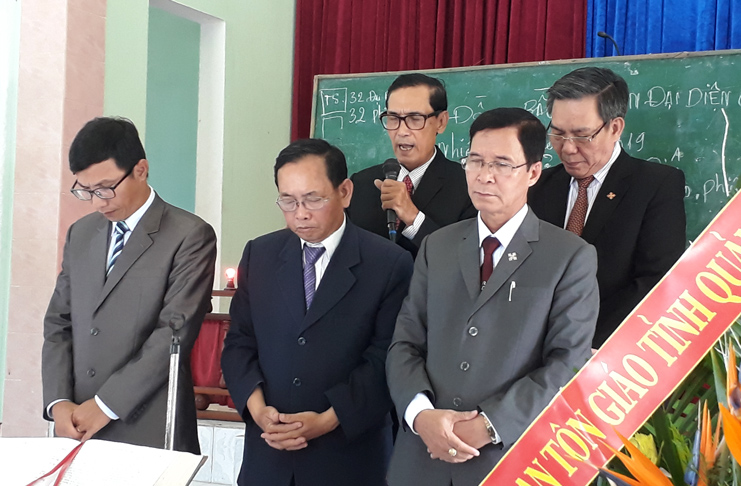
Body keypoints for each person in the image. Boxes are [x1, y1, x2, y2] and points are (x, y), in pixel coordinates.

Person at [386, 108, 599, 486]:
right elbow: (405, 341)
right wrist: (420, 415)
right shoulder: (438, 245)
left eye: (502, 164)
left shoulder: (569, 256)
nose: (485, 175)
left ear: (533, 172)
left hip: (508, 462)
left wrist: (489, 424)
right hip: (422, 459)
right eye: (475, 161)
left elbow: (567, 363)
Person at [221, 139, 414, 486]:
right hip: (269, 458)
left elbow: (386, 357)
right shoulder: (260, 255)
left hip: (349, 460)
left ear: (345, 192)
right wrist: (258, 410)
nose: (301, 213)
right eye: (288, 201)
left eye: (313, 199)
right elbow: (239, 342)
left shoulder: (387, 263)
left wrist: (327, 419)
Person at [42, 117, 217, 452]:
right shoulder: (81, 234)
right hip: (76, 425)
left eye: (106, 188)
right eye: (86, 191)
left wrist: (105, 405)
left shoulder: (189, 235)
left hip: (148, 428)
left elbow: (173, 334)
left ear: (141, 170)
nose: (98, 202)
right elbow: (58, 323)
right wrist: (58, 401)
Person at [528, 67, 686, 347]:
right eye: (558, 134)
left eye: (582, 135)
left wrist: (582, 343)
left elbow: (656, 281)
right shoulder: (536, 186)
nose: (567, 148)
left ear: (615, 128)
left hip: (608, 349)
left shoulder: (655, 185)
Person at [347, 73, 476, 257]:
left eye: (415, 119)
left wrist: (413, 217)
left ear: (441, 122)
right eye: (393, 118)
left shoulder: (468, 186)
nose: (402, 131)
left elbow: (465, 259)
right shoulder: (361, 183)